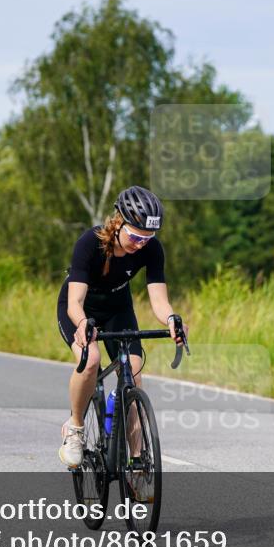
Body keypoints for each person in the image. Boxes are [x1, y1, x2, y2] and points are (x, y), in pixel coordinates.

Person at [56, 186, 186, 467]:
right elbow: (74, 301)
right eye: (136, 236)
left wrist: (172, 319)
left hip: (118, 308)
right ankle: (75, 428)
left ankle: (137, 461)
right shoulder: (90, 243)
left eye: (148, 238)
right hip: (80, 308)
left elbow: (159, 299)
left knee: (135, 375)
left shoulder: (151, 249)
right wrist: (82, 325)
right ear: (119, 222)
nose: (141, 244)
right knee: (90, 360)